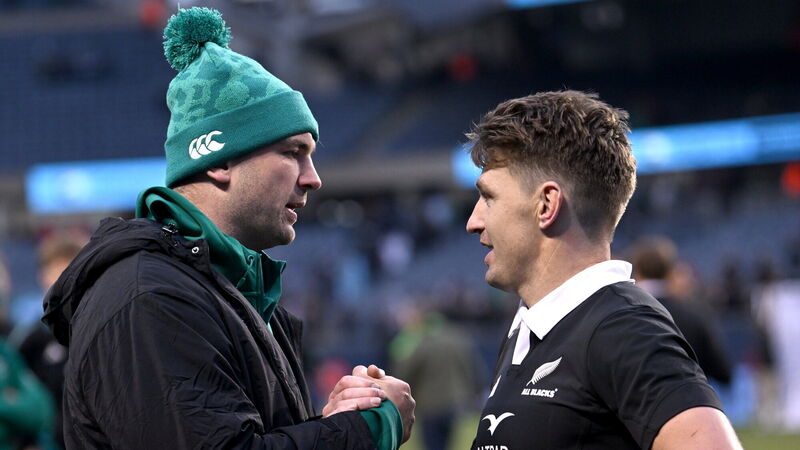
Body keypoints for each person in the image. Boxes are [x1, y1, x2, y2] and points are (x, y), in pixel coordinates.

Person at [42, 7, 414, 449]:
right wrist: (368, 430)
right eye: (293, 152)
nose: (313, 178)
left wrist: (332, 422)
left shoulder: (221, 289)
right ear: (219, 160)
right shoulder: (150, 297)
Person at [465, 91, 741, 449]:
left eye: (489, 197)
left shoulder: (624, 330)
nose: (473, 221)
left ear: (546, 205)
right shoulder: (531, 325)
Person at [628, 235, 733, 386]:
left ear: (637, 270)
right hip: (691, 396)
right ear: (671, 271)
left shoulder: (618, 314)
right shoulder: (695, 314)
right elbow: (723, 372)